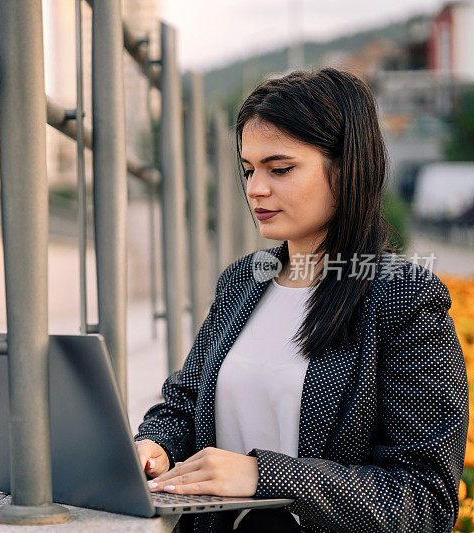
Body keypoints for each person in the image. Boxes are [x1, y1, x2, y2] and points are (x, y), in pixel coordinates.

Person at [133, 67, 468, 532]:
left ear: (347, 166)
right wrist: (155, 446)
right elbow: (184, 403)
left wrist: (263, 475)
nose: (255, 188)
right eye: (248, 169)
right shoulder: (243, 281)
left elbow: (425, 499)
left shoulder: (402, 297)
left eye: (281, 168)